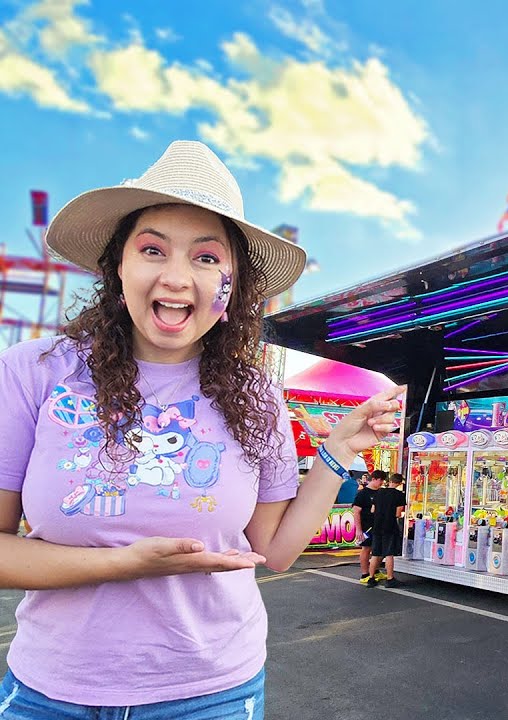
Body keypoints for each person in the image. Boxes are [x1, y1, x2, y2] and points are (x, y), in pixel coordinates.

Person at [0, 140, 405, 718]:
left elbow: (277, 551)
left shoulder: (254, 392)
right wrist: (124, 563)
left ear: (232, 285)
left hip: (209, 693)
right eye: (152, 250)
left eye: (207, 258)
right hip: (51, 694)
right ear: (118, 266)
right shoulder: (35, 371)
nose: (177, 278)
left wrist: (337, 449)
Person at [367, 472, 407, 588]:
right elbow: (398, 513)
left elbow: (373, 510)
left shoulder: (379, 492)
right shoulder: (399, 495)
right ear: (399, 483)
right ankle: (390, 578)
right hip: (389, 526)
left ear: (389, 481)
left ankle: (371, 578)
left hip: (377, 525)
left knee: (375, 553)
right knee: (389, 553)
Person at [353, 471, 385, 584]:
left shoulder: (381, 492)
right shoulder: (363, 493)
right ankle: (364, 573)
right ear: (374, 479)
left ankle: (375, 570)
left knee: (380, 549)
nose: (382, 483)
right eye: (380, 480)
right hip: (366, 525)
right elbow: (356, 511)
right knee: (366, 548)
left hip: (379, 524)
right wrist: (358, 529)